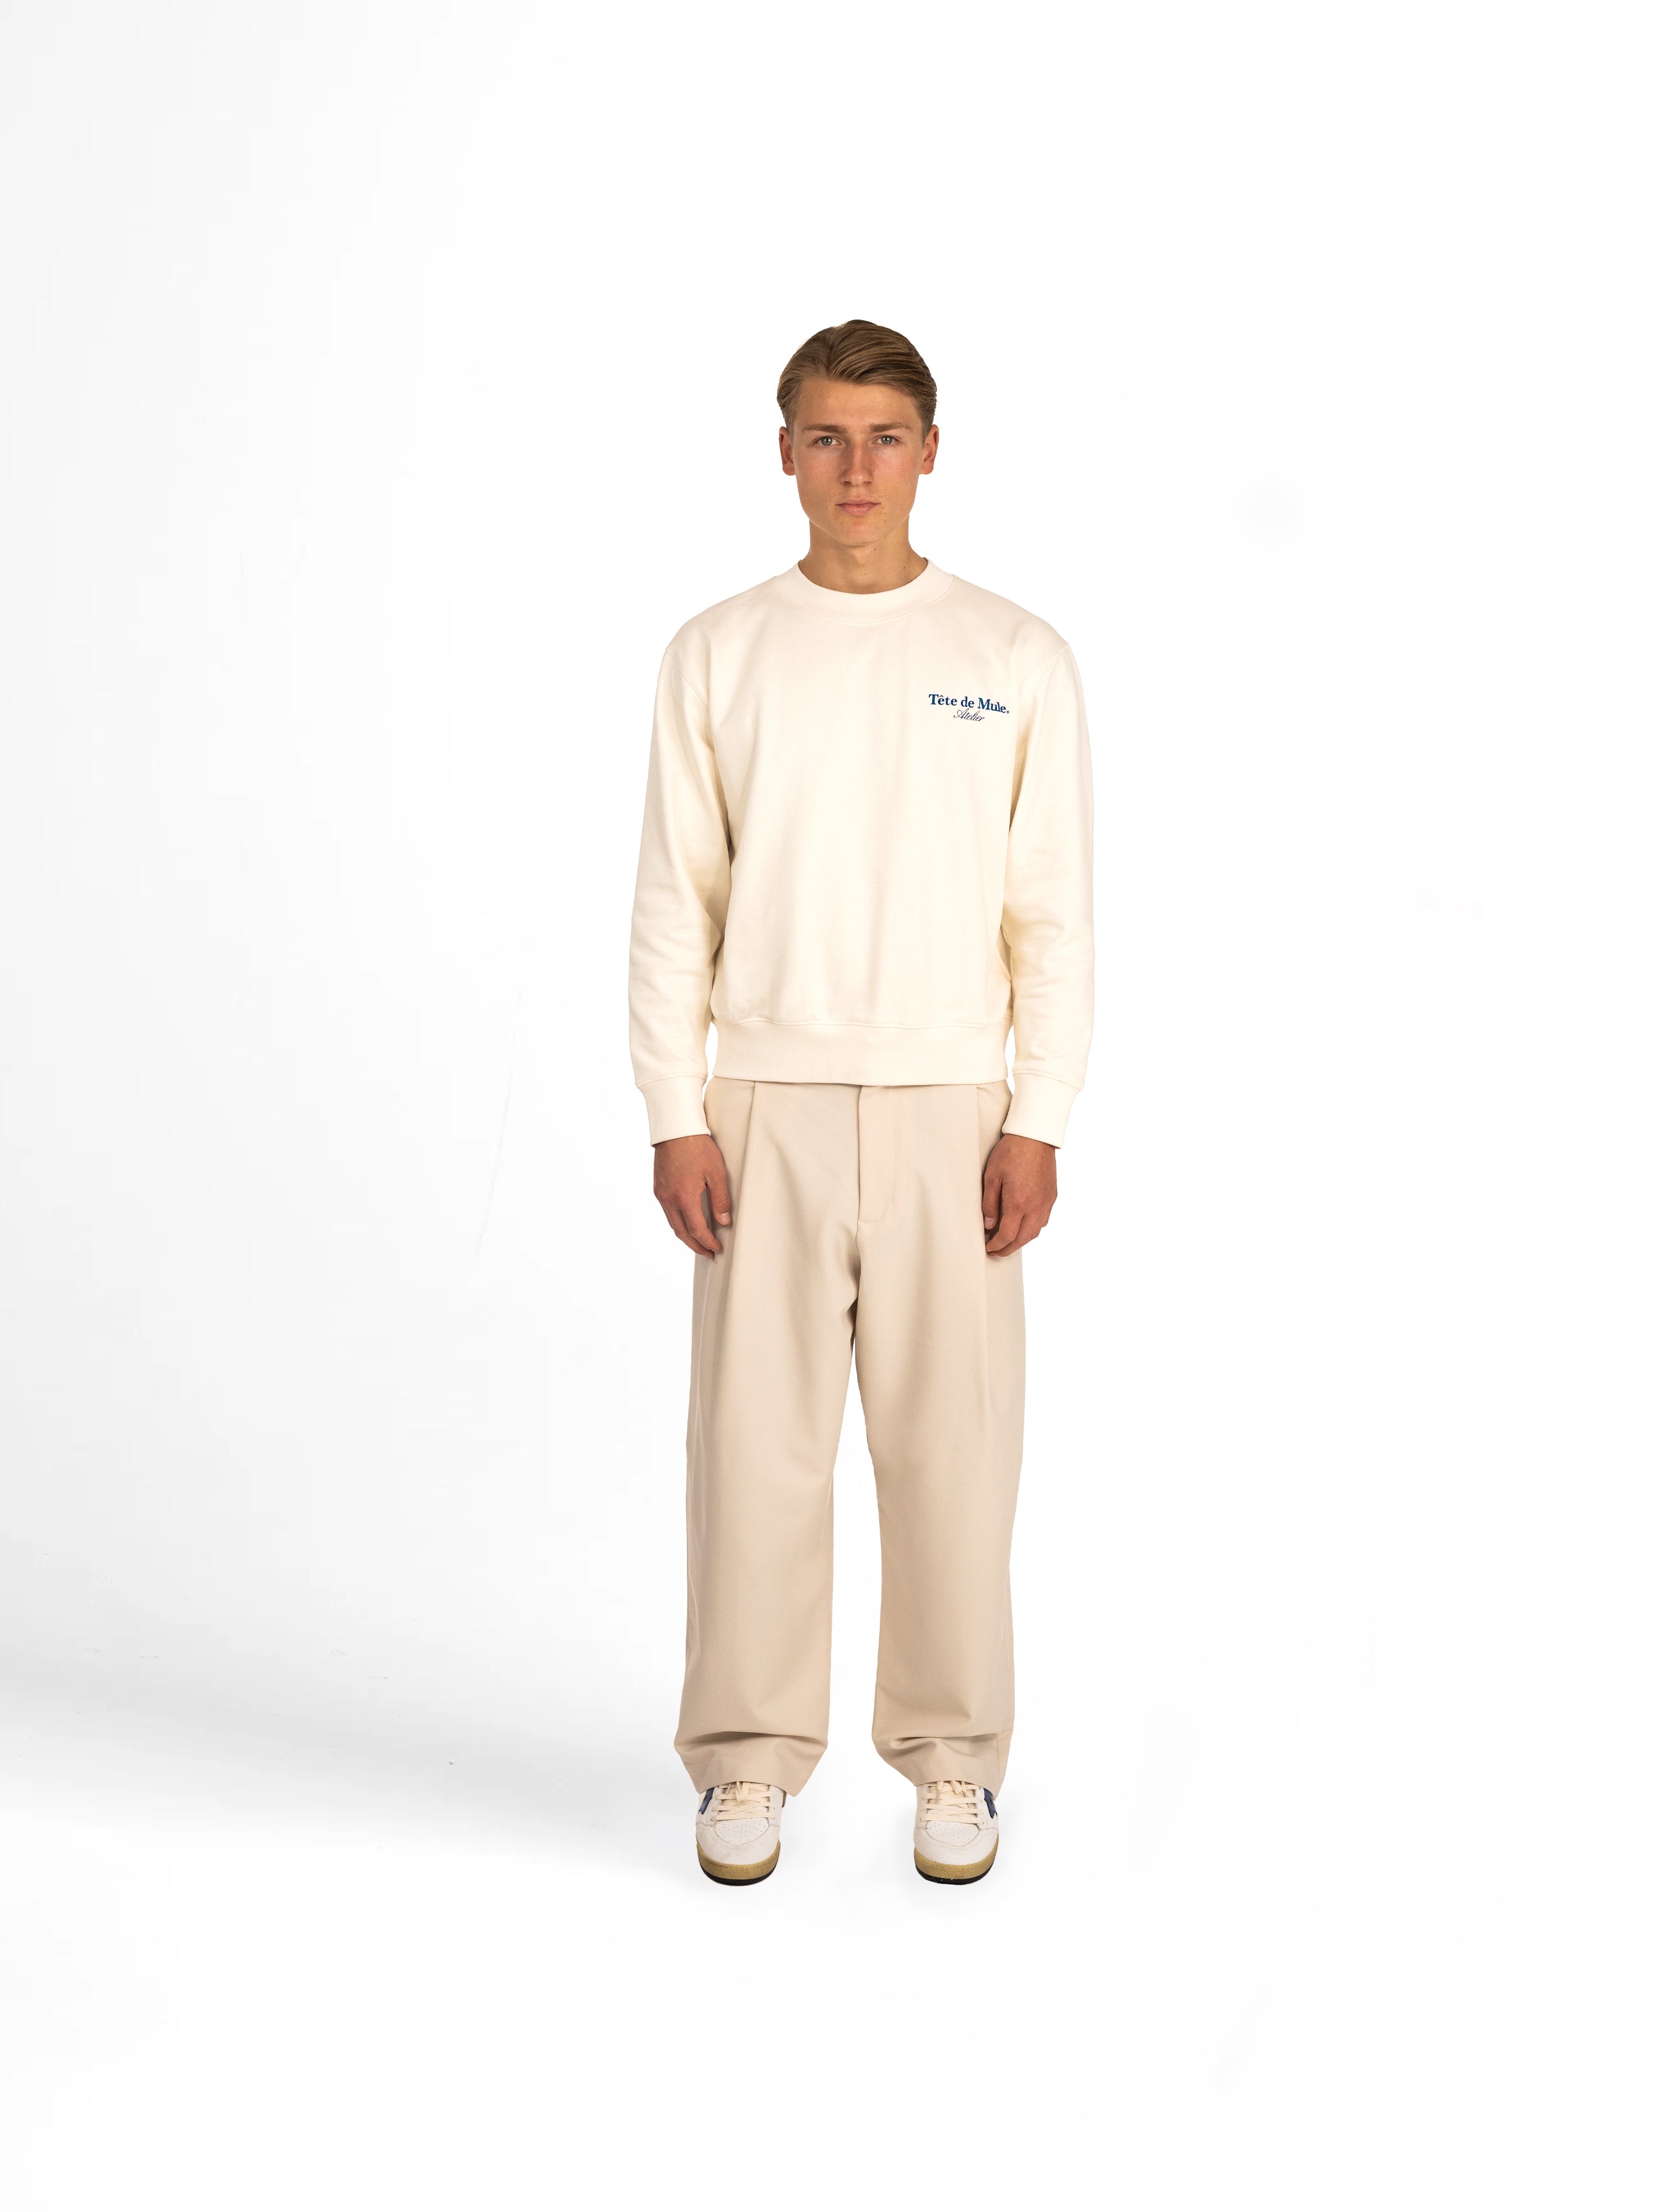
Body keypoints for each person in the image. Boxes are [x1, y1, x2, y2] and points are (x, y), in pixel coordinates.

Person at [627, 319, 1094, 1886]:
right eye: (827, 437)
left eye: (885, 437)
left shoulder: (1013, 655)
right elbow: (675, 903)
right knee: (753, 1453)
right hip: (765, 1098)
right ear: (784, 453)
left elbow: (1052, 912)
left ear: (931, 452)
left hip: (953, 1105)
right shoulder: (721, 652)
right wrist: (675, 1108)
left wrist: (1038, 1114)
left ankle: (955, 1763)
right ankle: (746, 1761)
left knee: (953, 1454)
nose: (856, 469)